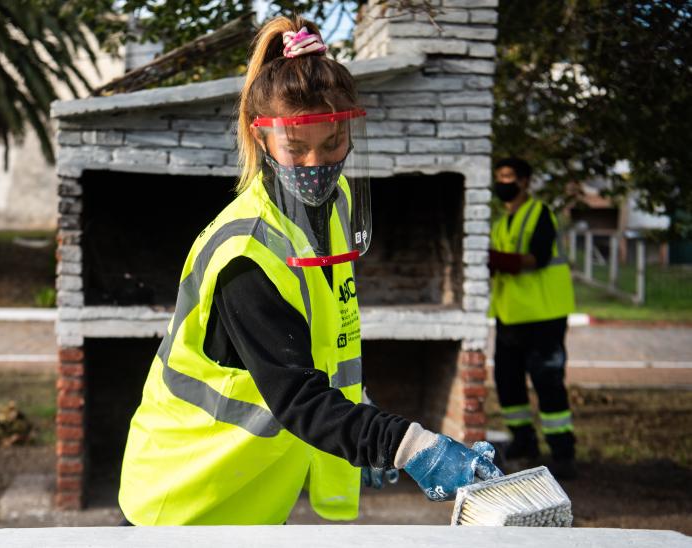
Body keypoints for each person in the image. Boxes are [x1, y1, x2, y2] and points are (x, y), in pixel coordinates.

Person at [117, 15, 501, 526]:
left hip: (247, 496)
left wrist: (359, 412)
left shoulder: (334, 206)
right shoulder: (246, 255)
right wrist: (408, 446)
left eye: (334, 142)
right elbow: (297, 397)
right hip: (182, 500)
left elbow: (320, 333)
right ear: (264, 140)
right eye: (296, 149)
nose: (317, 163)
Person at [488, 157, 577, 480]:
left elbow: (537, 258)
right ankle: (523, 442)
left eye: (509, 176)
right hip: (509, 315)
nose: (503, 182)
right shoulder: (500, 223)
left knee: (548, 382)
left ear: (525, 181)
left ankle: (562, 452)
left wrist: (496, 259)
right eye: (499, 176)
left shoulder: (540, 214)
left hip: (543, 315)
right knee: (508, 383)